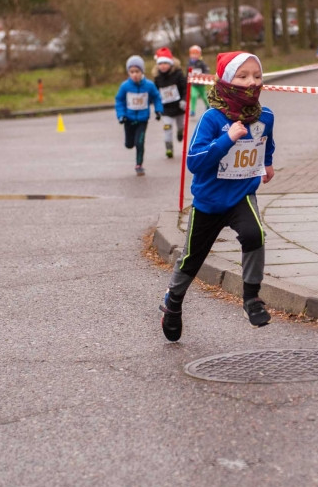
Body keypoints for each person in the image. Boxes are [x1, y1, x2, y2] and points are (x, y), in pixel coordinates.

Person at [159, 51, 276, 342]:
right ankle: (173, 303)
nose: (251, 83)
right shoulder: (213, 119)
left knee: (255, 234)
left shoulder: (266, 116)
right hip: (209, 201)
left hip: (241, 194)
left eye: (257, 76)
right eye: (243, 76)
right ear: (226, 80)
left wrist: (268, 163)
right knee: (191, 259)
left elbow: (265, 142)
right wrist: (227, 139)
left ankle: (251, 298)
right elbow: (195, 162)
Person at [115, 55, 163, 176]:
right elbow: (119, 101)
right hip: (128, 119)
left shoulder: (149, 85)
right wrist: (121, 116)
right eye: (132, 72)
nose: (134, 74)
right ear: (128, 73)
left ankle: (139, 165)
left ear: (142, 71)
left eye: (137, 71)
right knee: (129, 144)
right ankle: (130, 144)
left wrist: (158, 110)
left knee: (140, 142)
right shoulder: (125, 86)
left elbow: (157, 97)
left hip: (142, 119)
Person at [152, 47, 188, 158]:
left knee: (180, 125)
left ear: (171, 63)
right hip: (166, 109)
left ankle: (180, 132)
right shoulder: (157, 77)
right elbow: (155, 93)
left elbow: (185, 89)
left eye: (165, 63)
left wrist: (184, 100)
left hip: (179, 107)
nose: (163, 66)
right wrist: (157, 108)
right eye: (160, 63)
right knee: (167, 127)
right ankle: (169, 148)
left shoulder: (178, 74)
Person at [187, 44, 211, 117]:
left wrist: (204, 76)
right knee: (193, 96)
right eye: (192, 54)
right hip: (193, 84)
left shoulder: (201, 63)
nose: (194, 55)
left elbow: (206, 70)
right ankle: (193, 110)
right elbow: (187, 73)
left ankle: (207, 105)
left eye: (196, 54)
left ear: (199, 54)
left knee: (203, 96)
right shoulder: (189, 63)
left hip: (201, 84)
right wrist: (187, 79)